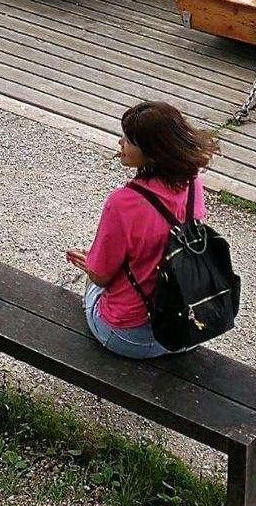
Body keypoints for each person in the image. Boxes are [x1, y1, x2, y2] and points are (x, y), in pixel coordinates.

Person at [67, 101, 216, 359]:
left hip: (129, 338)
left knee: (92, 288)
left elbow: (101, 276)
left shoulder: (123, 203)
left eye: (129, 139)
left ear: (152, 152)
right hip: (186, 330)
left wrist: (91, 264)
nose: (120, 142)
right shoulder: (193, 184)